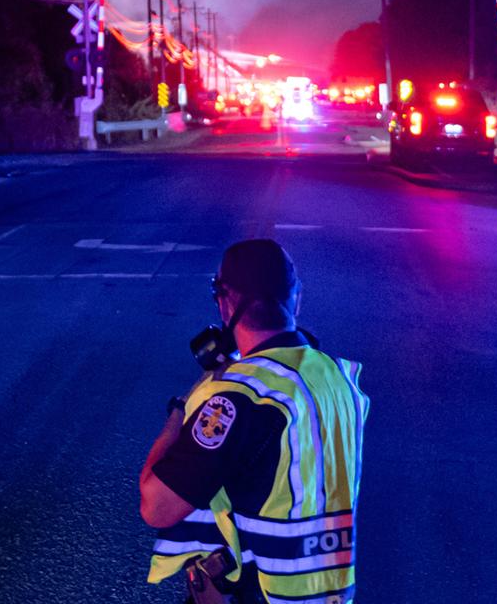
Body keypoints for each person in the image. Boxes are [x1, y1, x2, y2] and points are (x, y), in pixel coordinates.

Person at [139, 239, 368, 604]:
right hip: (327, 590)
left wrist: (180, 410)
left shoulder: (240, 398)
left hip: (262, 592)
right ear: (296, 298)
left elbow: (156, 506)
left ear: (225, 303)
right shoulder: (336, 376)